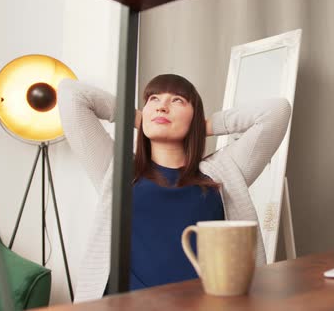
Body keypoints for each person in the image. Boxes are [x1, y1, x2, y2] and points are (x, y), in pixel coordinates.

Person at [58, 74, 291, 302]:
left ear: (195, 116)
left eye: (177, 100)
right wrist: (137, 118)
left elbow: (277, 112)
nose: (161, 107)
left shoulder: (223, 172)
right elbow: (71, 94)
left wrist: (204, 126)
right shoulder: (118, 171)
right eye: (153, 100)